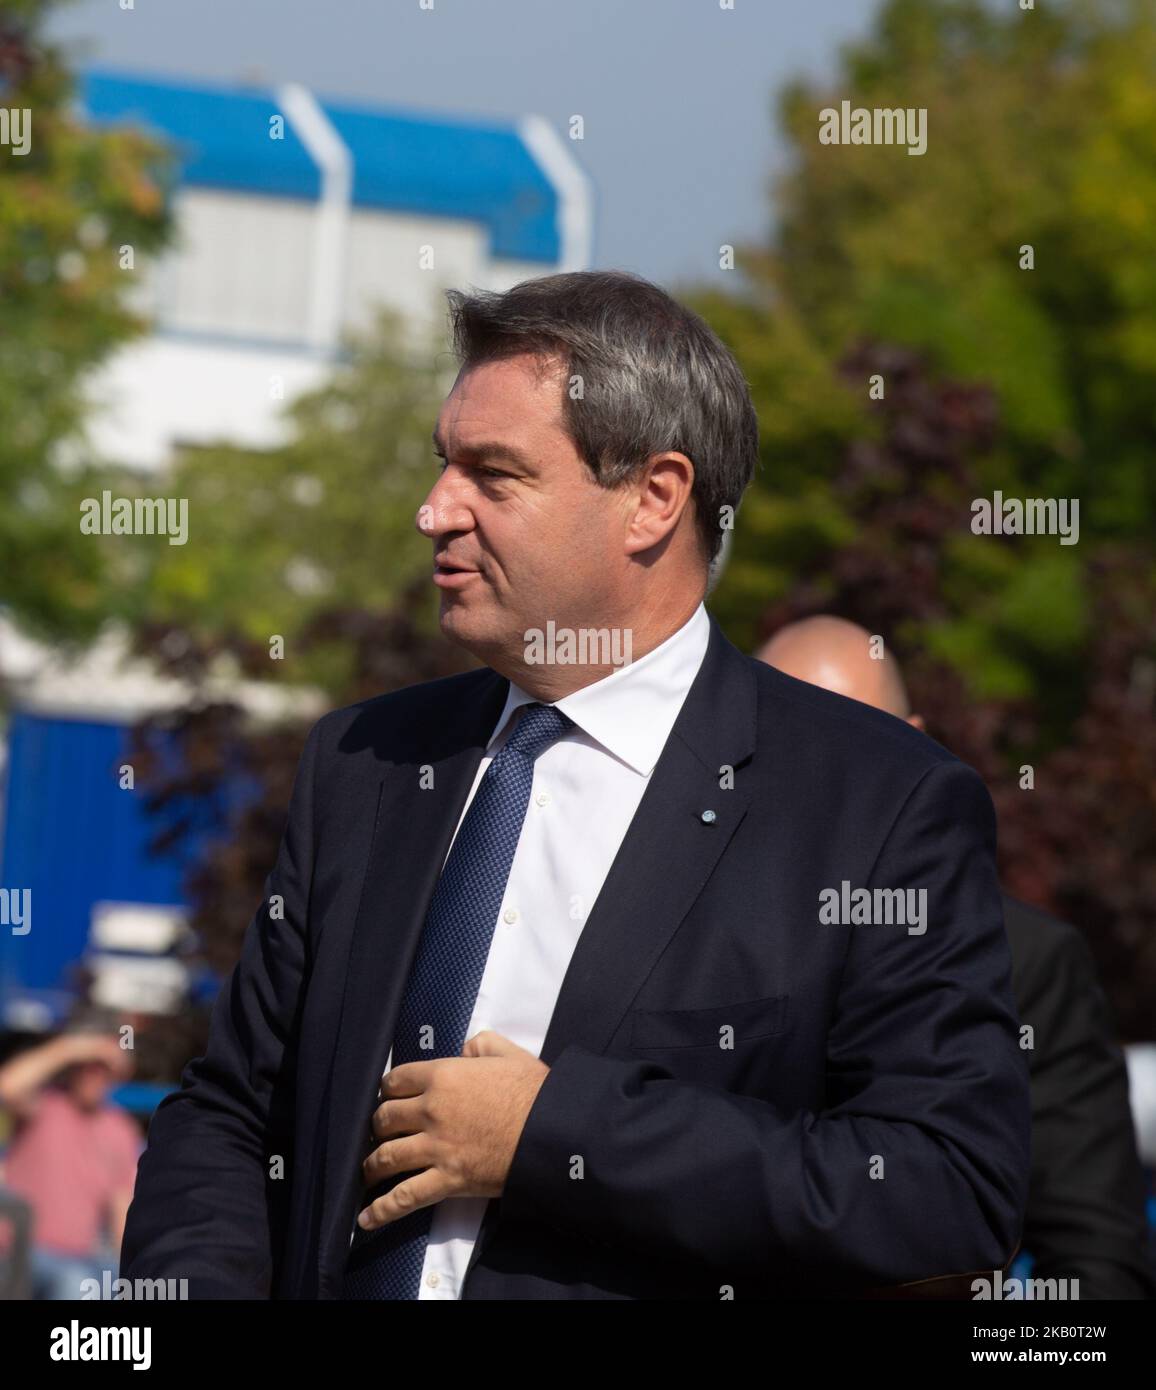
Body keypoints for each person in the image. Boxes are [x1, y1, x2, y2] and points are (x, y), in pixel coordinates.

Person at [122, 269, 1029, 1300]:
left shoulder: (874, 807)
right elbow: (231, 1116)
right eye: (441, 464)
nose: (433, 510)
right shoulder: (365, 764)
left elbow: (945, 1188)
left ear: (653, 499)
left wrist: (556, 1134)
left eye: (493, 475)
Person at [758, 614, 1156, 1299]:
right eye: (782, 749)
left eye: (844, 743)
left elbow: (1097, 1268)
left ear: (908, 745)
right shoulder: (697, 930)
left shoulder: (1026, 961)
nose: (811, 782)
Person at [0, 1021, 139, 1299]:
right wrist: (73, 1048)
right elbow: (7, 1086)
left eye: (102, 1068)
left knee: (144, 1286)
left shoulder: (120, 1129)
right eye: (87, 1065)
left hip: (82, 1258)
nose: (93, 1074)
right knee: (76, 1286)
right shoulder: (45, 1105)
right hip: (21, 1253)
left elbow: (121, 1209)